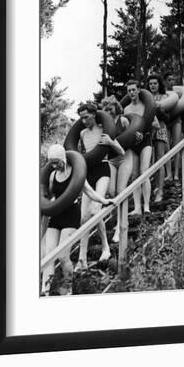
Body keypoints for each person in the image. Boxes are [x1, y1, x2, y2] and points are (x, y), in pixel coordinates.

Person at [40, 144, 113, 294]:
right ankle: (44, 291)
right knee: (49, 254)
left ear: (63, 159)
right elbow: (50, 195)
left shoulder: (76, 173)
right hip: (57, 215)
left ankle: (68, 288)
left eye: (56, 162)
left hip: (71, 215)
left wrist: (103, 201)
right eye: (51, 163)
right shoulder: (53, 176)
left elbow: (89, 191)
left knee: (62, 255)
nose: (54, 166)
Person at [76, 101, 123, 271]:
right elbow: (83, 154)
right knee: (83, 218)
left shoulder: (104, 128)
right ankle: (82, 258)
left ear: (94, 115)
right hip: (88, 172)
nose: (84, 121)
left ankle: (106, 248)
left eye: (86, 117)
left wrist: (111, 142)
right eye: (81, 118)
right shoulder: (81, 133)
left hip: (103, 170)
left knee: (96, 210)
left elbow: (121, 152)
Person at [101, 96, 134, 242]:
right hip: (111, 159)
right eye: (105, 109)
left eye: (110, 108)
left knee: (121, 191)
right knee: (111, 192)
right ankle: (116, 222)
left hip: (125, 157)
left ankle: (121, 227)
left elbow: (131, 137)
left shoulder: (123, 120)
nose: (108, 111)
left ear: (116, 107)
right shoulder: (104, 125)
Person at [123, 79, 158, 215]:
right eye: (129, 91)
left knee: (144, 171)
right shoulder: (126, 109)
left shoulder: (146, 106)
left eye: (133, 90)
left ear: (138, 90)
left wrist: (144, 129)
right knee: (134, 174)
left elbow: (156, 124)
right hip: (133, 143)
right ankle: (137, 207)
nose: (131, 92)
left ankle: (147, 206)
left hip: (146, 140)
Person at [147, 73, 169, 203]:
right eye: (150, 84)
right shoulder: (146, 97)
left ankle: (160, 191)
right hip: (149, 130)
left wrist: (159, 110)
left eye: (155, 83)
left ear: (159, 84)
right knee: (151, 161)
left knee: (160, 159)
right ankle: (155, 187)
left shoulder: (165, 97)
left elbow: (168, 116)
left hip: (160, 127)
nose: (153, 86)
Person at [163, 72, 182, 182]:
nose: (172, 82)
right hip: (166, 121)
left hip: (176, 121)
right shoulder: (163, 94)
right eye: (169, 80)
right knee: (167, 148)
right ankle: (169, 174)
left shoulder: (178, 93)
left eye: (173, 80)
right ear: (165, 81)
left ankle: (176, 174)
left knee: (177, 147)